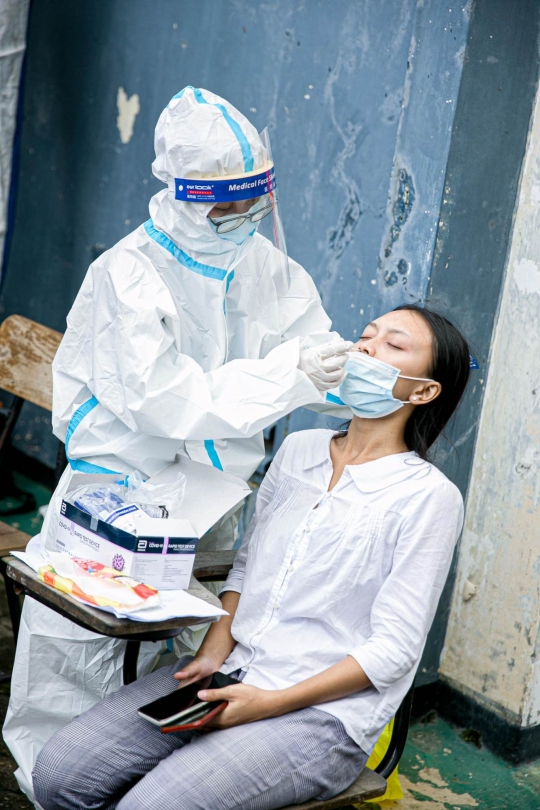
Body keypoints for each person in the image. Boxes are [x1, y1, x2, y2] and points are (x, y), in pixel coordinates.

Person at [3, 86, 351, 801]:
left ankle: (151, 788)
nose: (244, 219)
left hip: (213, 499)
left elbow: (314, 354)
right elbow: (169, 402)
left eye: (256, 201)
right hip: (118, 498)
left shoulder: (268, 266)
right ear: (185, 195)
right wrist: (288, 374)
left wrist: (355, 376)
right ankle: (55, 788)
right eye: (227, 205)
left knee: (188, 665)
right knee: (77, 655)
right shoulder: (128, 276)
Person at [32, 305, 471, 810]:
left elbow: (394, 651)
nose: (365, 349)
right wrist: (215, 649)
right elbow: (248, 565)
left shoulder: (428, 497)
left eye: (393, 346)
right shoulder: (300, 449)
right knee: (58, 776)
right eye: (365, 336)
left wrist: (268, 704)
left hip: (321, 714)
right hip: (233, 669)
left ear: (422, 390)